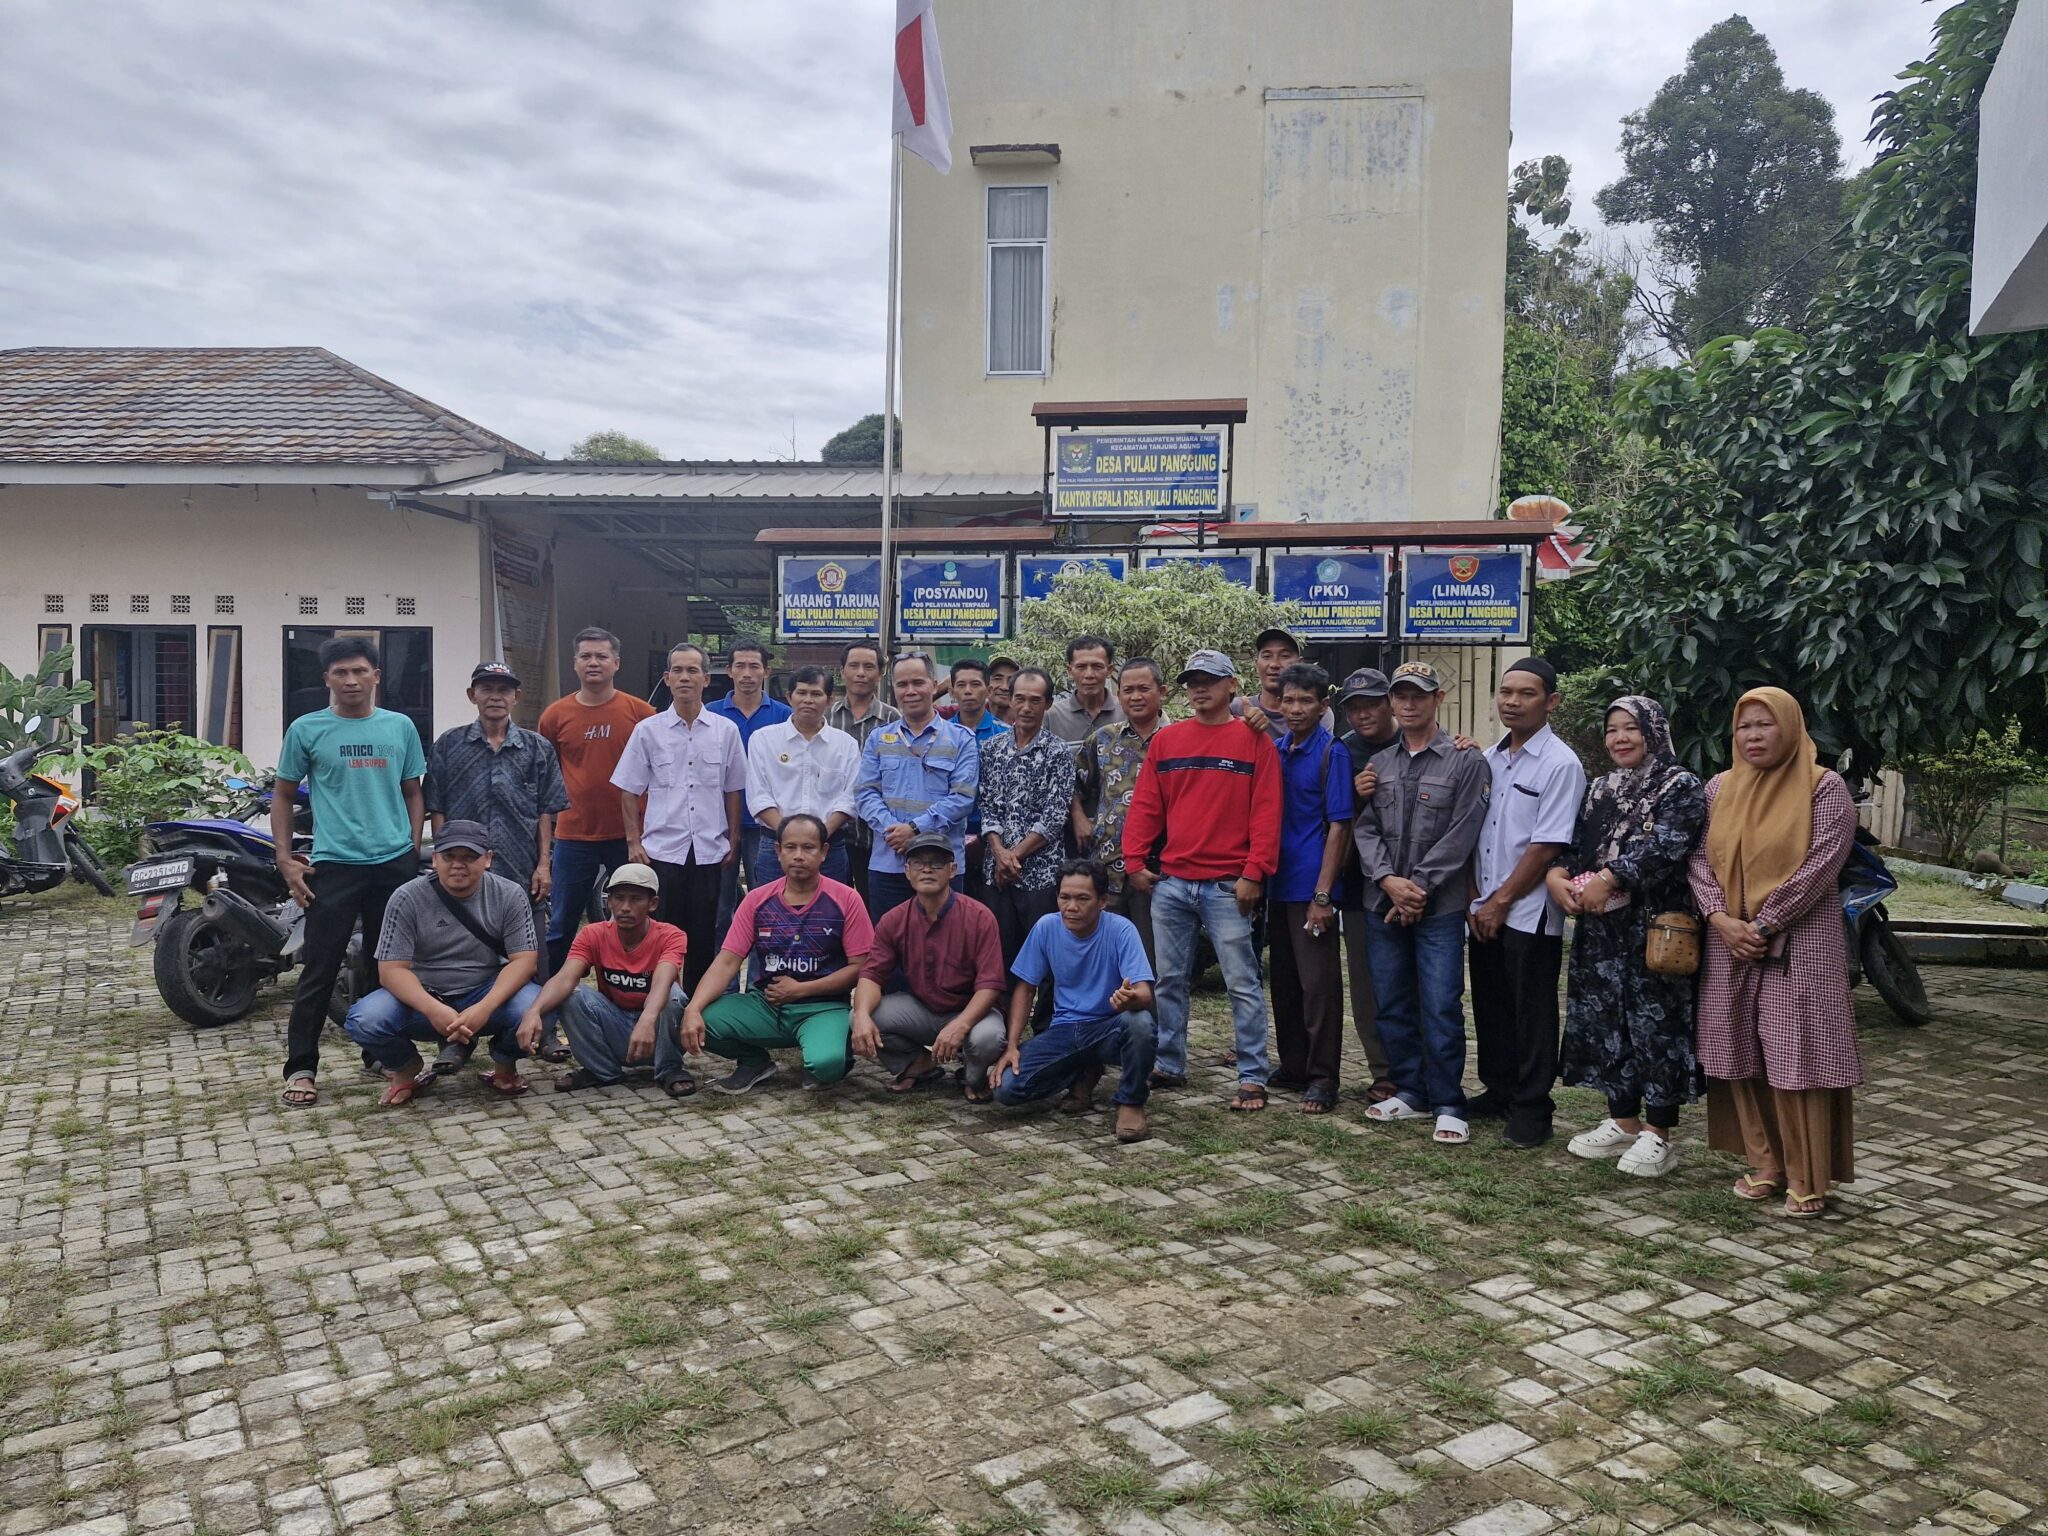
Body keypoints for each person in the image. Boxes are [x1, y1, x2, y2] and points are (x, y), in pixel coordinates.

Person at [1689, 687, 1861, 1218]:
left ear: (1790, 726)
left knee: (1799, 1055)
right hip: (1729, 943)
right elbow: (1698, 859)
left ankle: (1807, 1175)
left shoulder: (1823, 788)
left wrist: (1763, 923)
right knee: (1736, 1049)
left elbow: (1821, 865)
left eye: (1765, 725)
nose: (1754, 735)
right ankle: (1765, 1163)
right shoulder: (1719, 788)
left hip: (1798, 944)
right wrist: (1719, 918)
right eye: (1745, 726)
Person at [1550, 697, 1707, 1177]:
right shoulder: (1600, 788)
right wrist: (1560, 876)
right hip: (1602, 927)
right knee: (1606, 1020)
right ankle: (1623, 1119)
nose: (1619, 738)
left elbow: (1668, 846)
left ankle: (1659, 1134)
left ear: (1653, 732)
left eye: (1630, 729)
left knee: (1655, 1025)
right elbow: (1576, 845)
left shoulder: (1680, 786)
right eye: (1612, 730)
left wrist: (1611, 877)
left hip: (1655, 928)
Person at [1121, 650, 1280, 1112]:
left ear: (1232, 685)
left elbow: (1267, 813)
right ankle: (1169, 1062)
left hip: (1229, 885)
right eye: (1192, 680)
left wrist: (1254, 873)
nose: (1199, 688)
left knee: (1242, 982)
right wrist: (1134, 861)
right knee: (1170, 980)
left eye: (1209, 680)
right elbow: (1147, 806)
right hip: (1172, 882)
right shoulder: (1168, 741)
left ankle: (1252, 1075)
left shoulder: (1255, 741)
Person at [273, 635, 427, 1109]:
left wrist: (412, 847)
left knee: (388, 967)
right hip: (334, 866)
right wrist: (284, 859)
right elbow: (282, 795)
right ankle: (301, 1065)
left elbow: (412, 791)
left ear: (376, 675)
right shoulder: (307, 729)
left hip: (393, 864)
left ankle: (379, 1053)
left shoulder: (400, 727)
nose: (351, 680)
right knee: (319, 968)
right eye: (341, 673)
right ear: (327, 680)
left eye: (360, 671)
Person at [1352, 661, 1491, 1145]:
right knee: (1391, 1002)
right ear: (1392, 702)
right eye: (1401, 696)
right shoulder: (1379, 765)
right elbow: (1365, 828)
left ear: (1438, 699)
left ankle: (1449, 1101)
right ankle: (1411, 1090)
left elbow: (1464, 832)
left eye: (1419, 695)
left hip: (1441, 907)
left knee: (1440, 1004)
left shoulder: (1466, 760)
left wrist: (1419, 888)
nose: (1409, 704)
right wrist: (1389, 880)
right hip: (1383, 903)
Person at [1466, 658, 1588, 1149]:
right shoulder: (1490, 759)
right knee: (1491, 1004)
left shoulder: (1561, 763)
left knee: (1532, 1011)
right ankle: (1499, 1089)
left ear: (1551, 702)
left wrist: (1501, 901)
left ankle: (1533, 1107)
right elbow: (1478, 834)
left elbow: (1546, 846)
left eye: (1526, 694)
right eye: (1506, 692)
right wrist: (1478, 900)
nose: (1512, 702)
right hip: (1485, 905)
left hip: (1528, 910)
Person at [425, 660, 571, 1067]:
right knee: (462, 958)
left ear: (516, 697)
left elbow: (547, 811)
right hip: (462, 873)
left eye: (503, 689)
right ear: (472, 695)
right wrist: (442, 859)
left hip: (521, 869)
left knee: (536, 957)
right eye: (486, 688)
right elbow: (435, 805)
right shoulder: (449, 745)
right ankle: (457, 1037)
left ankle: (544, 1030)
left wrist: (544, 864)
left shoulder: (537, 747)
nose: (495, 696)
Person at [342, 820, 541, 1107]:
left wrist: (485, 1008)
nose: (458, 865)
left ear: (488, 860)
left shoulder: (509, 894)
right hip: (424, 993)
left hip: (485, 990)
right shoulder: (406, 897)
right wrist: (432, 1008)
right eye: (449, 856)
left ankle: (504, 1065)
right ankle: (406, 1067)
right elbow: (391, 970)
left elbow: (524, 961)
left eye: (469, 857)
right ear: (434, 859)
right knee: (364, 1020)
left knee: (537, 1008)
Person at [683, 815, 875, 1094]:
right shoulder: (756, 899)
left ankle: (837, 1048)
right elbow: (727, 961)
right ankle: (754, 1063)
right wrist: (693, 1008)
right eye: (790, 847)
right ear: (777, 852)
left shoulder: (846, 899)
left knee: (826, 1066)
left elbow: (862, 968)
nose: (798, 856)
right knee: (701, 1022)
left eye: (808, 848)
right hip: (767, 1004)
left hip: (823, 1005)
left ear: (824, 853)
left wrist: (801, 990)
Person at [988, 861, 1157, 1144]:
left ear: (1102, 901)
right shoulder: (1046, 927)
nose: (1071, 907)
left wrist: (1129, 999)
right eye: (1064, 897)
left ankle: (1131, 1102)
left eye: (1082, 898)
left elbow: (1144, 993)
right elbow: (1025, 988)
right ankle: (1083, 1072)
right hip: (1066, 1029)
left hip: (1108, 1026)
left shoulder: (1121, 930)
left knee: (1140, 1023)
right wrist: (1013, 1046)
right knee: (1006, 1089)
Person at [612, 643, 744, 1001]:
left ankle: (696, 1010)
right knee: (659, 933)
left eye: (692, 671)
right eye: (678, 671)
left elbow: (733, 790)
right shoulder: (648, 731)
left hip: (709, 851)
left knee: (703, 934)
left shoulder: (725, 731)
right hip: (662, 852)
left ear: (705, 678)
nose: (685, 678)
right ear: (667, 679)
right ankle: (659, 1004)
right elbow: (628, 789)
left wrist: (733, 839)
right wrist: (633, 842)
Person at [515, 862, 693, 1098]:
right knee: (572, 994)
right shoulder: (593, 934)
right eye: (619, 898)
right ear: (608, 901)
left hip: (657, 1030)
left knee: (673, 996)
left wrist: (648, 1018)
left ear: (653, 904)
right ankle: (602, 1071)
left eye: (636, 899)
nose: (625, 907)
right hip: (617, 1025)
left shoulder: (671, 935)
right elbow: (565, 977)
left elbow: (664, 977)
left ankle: (669, 1068)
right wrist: (533, 1011)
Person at [851, 832, 1008, 1099]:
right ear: (907, 872)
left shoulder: (980, 916)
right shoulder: (894, 919)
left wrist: (959, 1028)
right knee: (857, 1018)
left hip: (971, 1010)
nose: (926, 869)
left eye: (937, 863)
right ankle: (918, 1063)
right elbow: (872, 975)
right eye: (917, 863)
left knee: (988, 1038)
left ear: (953, 870)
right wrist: (863, 1015)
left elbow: (990, 986)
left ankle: (973, 1075)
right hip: (922, 1008)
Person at [539, 627, 656, 976]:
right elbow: (547, 778)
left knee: (635, 919)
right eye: (586, 656)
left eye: (601, 656)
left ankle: (632, 986)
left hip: (630, 837)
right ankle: (553, 998)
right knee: (562, 922)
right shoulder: (554, 716)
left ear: (616, 663)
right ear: (574, 664)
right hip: (575, 837)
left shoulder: (641, 713)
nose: (594, 663)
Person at [1267, 663, 1355, 1114]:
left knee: (1318, 987)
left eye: (1306, 701)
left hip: (1311, 887)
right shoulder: (1278, 749)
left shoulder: (1331, 752)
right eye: (1289, 700)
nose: (1296, 709)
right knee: (1283, 982)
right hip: (1275, 883)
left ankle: (1323, 1078)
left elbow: (1340, 826)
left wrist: (1324, 896)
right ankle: (1293, 1066)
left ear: (1323, 706)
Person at [854, 653, 980, 921]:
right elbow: (865, 793)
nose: (910, 691)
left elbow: (962, 798)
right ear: (894, 690)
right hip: (889, 863)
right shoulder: (879, 738)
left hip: (941, 864)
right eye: (902, 685)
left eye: (918, 683)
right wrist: (894, 833)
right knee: (890, 948)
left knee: (943, 948)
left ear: (934, 686)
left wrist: (914, 830)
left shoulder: (961, 739)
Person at [978, 666, 1078, 989]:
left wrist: (1014, 856)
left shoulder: (1059, 753)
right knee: (999, 950)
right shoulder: (991, 749)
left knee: (1045, 953)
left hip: (1041, 873)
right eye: (1019, 698)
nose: (1026, 707)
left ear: (1048, 704)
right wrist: (998, 852)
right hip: (996, 872)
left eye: (1035, 700)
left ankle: (1047, 1024)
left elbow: (1054, 815)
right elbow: (987, 805)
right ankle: (1000, 1022)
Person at [1074, 659, 1168, 969]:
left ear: (1162, 692)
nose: (1136, 697)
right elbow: (1074, 783)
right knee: (1105, 956)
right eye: (1128, 690)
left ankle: (1150, 1017)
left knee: (1152, 957)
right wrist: (1079, 817)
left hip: (1158, 870)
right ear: (1119, 693)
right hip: (1107, 864)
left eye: (1144, 689)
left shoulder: (1179, 739)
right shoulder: (1103, 738)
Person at [1333, 668, 1398, 1103]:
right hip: (1361, 884)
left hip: (1417, 881)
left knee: (1417, 982)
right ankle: (1383, 1071)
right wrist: (1356, 794)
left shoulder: (1421, 740)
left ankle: (1421, 1066)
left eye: (1371, 704)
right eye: (1354, 708)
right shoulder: (1344, 751)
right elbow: (1336, 817)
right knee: (1367, 981)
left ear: (1390, 703)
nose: (1362, 714)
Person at [746, 665, 860, 888]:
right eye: (802, 693)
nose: (808, 700)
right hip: (775, 846)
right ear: (789, 697)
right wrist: (789, 837)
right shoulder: (763, 740)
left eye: (816, 694)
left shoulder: (845, 744)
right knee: (771, 917)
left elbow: (851, 799)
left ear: (829, 700)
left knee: (829, 916)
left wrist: (817, 837)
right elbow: (758, 796)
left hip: (829, 847)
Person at [709, 638, 793, 930]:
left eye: (754, 666)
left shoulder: (784, 716)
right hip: (718, 824)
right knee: (719, 907)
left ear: (766, 672)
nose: (747, 673)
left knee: (767, 905)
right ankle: (723, 977)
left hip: (765, 827)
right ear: (729, 670)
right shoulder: (711, 715)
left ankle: (761, 975)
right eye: (740, 666)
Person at [827, 640, 901, 899]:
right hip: (832, 833)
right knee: (834, 907)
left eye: (869, 666)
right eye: (854, 666)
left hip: (877, 834)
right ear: (842, 671)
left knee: (875, 907)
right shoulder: (826, 718)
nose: (861, 672)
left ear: (881, 672)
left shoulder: (894, 720)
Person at [946, 658, 1009, 904]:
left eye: (975, 684)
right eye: (961, 685)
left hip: (993, 840)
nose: (968, 691)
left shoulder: (1004, 734)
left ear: (989, 689)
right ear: (951, 691)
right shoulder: (939, 734)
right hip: (950, 835)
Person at [1045, 635, 1124, 744]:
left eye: (1097, 666)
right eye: (1081, 667)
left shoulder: (1125, 712)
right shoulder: (1052, 716)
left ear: (1110, 670)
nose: (1089, 675)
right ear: (1069, 671)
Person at [987, 656, 1020, 725]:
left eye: (1011, 680)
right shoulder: (972, 716)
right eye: (997, 679)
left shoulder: (1028, 721)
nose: (1005, 687)